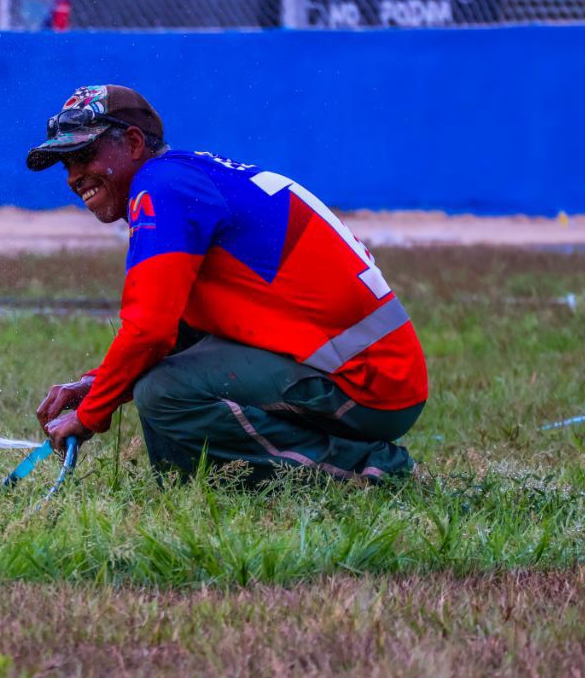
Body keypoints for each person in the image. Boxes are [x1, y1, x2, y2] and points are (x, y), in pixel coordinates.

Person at [28, 85, 428, 485]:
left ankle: (375, 470)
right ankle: (190, 484)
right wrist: (95, 383)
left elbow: (149, 331)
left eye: (84, 156)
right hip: (383, 377)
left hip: (370, 385)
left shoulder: (160, 186)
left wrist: (89, 415)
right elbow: (172, 333)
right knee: (171, 368)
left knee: (163, 390)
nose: (74, 177)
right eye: (66, 165)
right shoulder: (186, 176)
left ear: (133, 143)